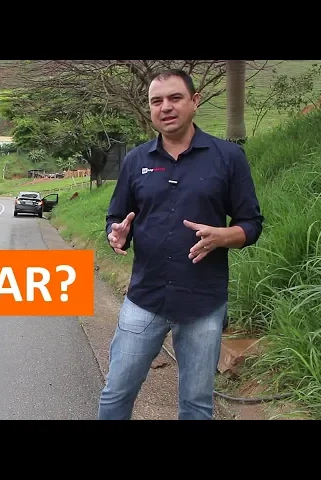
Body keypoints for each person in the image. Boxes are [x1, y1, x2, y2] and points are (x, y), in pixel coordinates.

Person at [98, 69, 264, 420]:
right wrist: (116, 233)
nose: (166, 107)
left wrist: (223, 236)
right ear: (150, 109)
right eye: (156, 101)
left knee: (196, 404)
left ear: (194, 101)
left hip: (203, 301)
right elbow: (116, 217)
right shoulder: (136, 160)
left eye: (175, 98)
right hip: (145, 297)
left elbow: (251, 224)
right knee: (116, 393)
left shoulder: (227, 157)